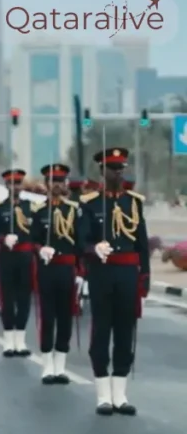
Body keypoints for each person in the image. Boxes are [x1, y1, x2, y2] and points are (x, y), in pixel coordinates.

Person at [79, 147, 150, 416]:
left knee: (125, 331)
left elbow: (141, 243)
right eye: (113, 168)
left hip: (128, 274)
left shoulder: (134, 202)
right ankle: (102, 395)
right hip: (102, 273)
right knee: (101, 330)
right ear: (102, 171)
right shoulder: (90, 203)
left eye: (122, 168)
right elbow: (81, 238)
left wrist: (145, 277)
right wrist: (94, 248)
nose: (119, 172)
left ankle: (120, 394)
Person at [31, 163, 80, 385]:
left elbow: (80, 244)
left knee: (65, 317)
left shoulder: (74, 211)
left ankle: (60, 364)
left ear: (65, 184)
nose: (57, 185)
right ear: (47, 184)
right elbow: (32, 239)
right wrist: (40, 249)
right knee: (47, 316)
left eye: (61, 181)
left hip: (67, 269)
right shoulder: (40, 212)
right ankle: (47, 364)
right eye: (53, 181)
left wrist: (81, 273)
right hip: (47, 269)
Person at [0, 169, 35, 358]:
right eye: (11, 183)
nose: (15, 186)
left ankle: (21, 339)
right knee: (7, 297)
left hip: (25, 256)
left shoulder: (30, 207)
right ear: (6, 186)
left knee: (24, 297)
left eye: (18, 183)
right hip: (7, 256)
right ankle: (8, 340)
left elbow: (37, 231)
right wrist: (2, 238)